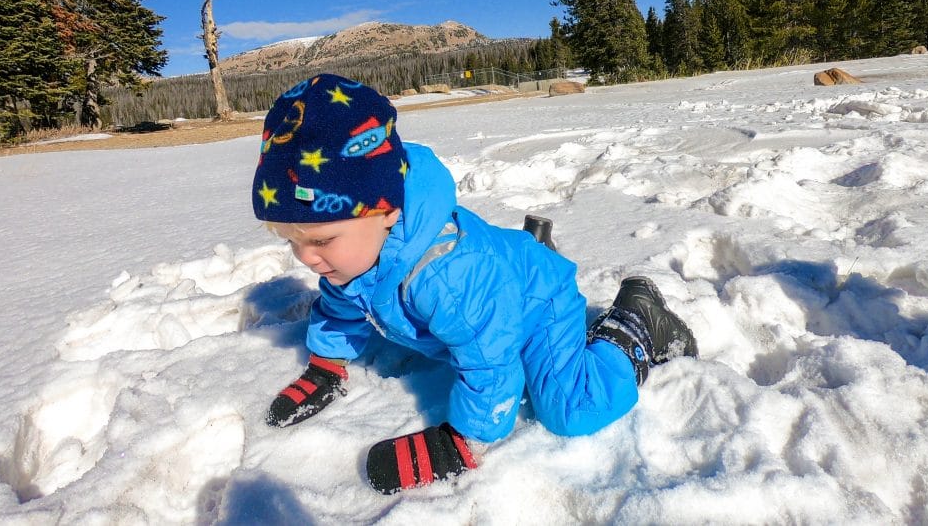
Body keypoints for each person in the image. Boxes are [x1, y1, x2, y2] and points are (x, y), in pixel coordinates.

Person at [252, 74, 698, 494]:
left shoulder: (445, 275)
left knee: (572, 409)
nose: (306, 257)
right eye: (290, 238)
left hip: (535, 303)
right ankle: (529, 245)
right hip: (496, 290)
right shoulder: (352, 256)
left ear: (386, 211)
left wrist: (465, 440)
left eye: (321, 239)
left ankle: (636, 320)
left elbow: (490, 360)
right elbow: (342, 305)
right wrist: (327, 365)